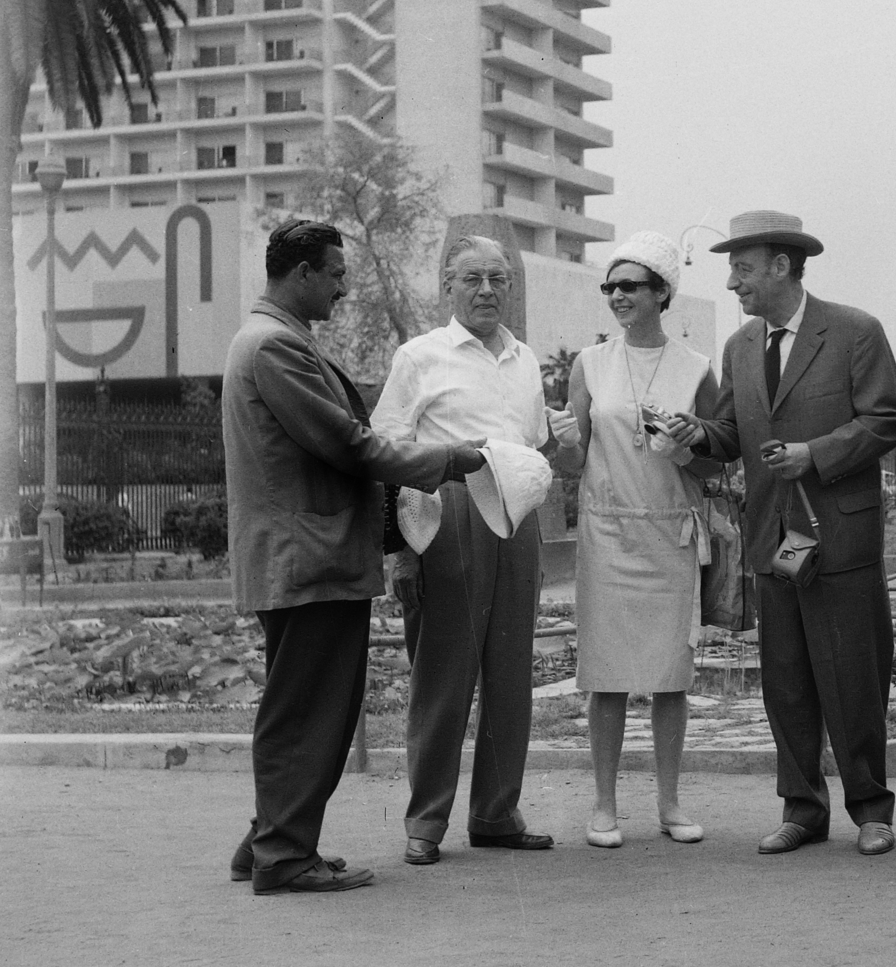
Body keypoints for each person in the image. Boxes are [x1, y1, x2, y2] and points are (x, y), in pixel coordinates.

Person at [223, 219, 484, 895]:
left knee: (297, 702)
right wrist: (450, 458)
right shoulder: (276, 346)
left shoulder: (272, 339)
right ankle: (283, 853)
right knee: (313, 708)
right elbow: (352, 444)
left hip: (300, 557)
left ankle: (269, 839)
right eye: (336, 273)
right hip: (307, 559)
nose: (343, 287)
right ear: (303, 272)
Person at [664, 210, 896, 856]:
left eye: (742, 269)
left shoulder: (856, 331)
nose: (733, 283)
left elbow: (889, 419)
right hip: (772, 540)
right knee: (787, 680)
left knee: (854, 676)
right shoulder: (740, 347)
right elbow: (727, 437)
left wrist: (815, 453)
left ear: (781, 265)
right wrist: (695, 433)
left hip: (840, 539)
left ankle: (871, 810)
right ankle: (802, 808)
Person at [372, 236, 553, 867]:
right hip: (445, 512)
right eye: (472, 278)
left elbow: (532, 441)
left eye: (498, 279)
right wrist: (401, 552)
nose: (486, 290)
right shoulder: (419, 356)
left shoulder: (526, 360)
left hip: (517, 514)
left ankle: (497, 813)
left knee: (510, 675)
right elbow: (387, 453)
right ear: (447, 285)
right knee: (443, 675)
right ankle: (425, 821)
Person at [547, 232, 720, 848]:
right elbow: (575, 462)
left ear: (661, 293)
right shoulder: (589, 364)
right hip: (608, 529)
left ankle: (670, 803)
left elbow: (715, 464)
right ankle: (603, 804)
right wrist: (566, 440)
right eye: (610, 287)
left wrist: (686, 445)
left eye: (629, 286)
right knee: (609, 673)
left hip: (669, 531)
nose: (617, 296)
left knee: (672, 673)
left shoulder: (697, 368)